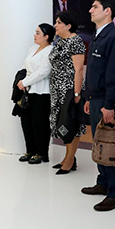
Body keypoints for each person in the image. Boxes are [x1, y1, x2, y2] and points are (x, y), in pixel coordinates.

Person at [80, 0, 115, 212]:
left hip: (107, 102)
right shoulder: (98, 36)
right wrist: (89, 97)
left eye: (95, 7)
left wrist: (109, 105)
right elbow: (94, 71)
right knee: (99, 141)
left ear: (107, 11)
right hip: (95, 99)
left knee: (109, 144)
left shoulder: (114, 37)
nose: (90, 10)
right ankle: (103, 182)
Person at [49, 11, 86, 174]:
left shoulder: (75, 41)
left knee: (72, 123)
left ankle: (70, 159)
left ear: (68, 26)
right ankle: (67, 156)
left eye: (59, 22)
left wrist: (77, 93)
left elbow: (79, 70)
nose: (55, 25)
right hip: (57, 90)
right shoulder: (61, 41)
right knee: (63, 123)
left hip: (69, 90)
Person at [17, 23, 55, 164]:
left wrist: (25, 82)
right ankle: (30, 150)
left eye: (38, 33)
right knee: (26, 122)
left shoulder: (50, 50)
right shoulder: (33, 48)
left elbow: (43, 72)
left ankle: (41, 153)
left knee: (40, 123)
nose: (34, 35)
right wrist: (21, 80)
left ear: (46, 37)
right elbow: (25, 66)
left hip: (41, 92)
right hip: (28, 91)